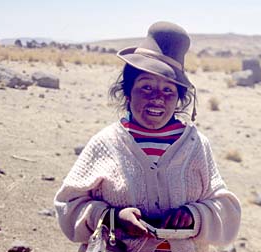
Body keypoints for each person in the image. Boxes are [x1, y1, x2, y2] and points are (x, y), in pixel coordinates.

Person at [54, 21, 241, 252]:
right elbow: (68, 204)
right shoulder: (106, 143)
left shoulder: (195, 145)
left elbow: (225, 208)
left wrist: (193, 215)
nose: (157, 99)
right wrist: (113, 217)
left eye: (168, 91)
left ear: (179, 98)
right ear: (128, 91)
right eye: (146, 87)